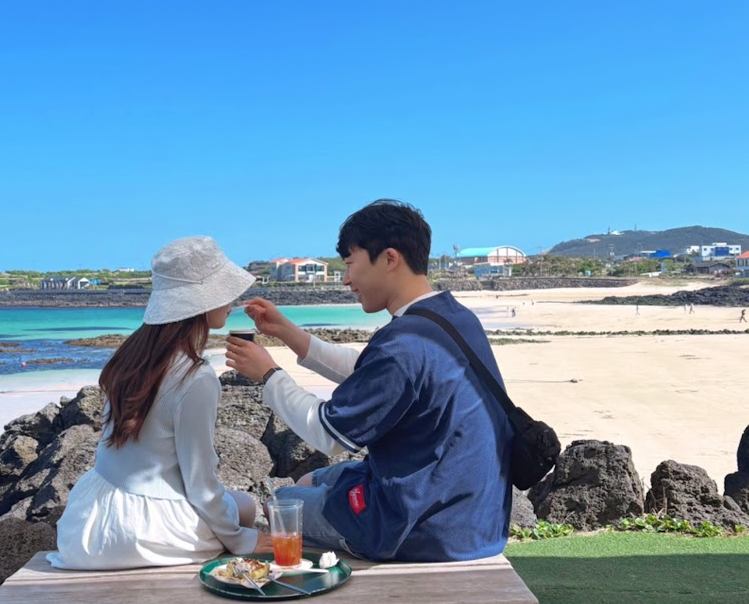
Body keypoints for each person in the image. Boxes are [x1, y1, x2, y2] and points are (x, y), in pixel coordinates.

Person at [226, 200, 514, 563]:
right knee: (309, 482)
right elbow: (373, 374)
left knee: (282, 504)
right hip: (472, 513)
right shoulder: (451, 317)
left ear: (389, 259)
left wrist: (268, 375)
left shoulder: (403, 344)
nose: (346, 279)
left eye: (350, 264)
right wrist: (289, 333)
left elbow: (327, 434)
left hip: (425, 527)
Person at [48, 236, 269, 570]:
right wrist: (240, 540)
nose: (232, 301)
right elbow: (200, 482)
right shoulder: (196, 376)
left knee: (239, 506)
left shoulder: (130, 357)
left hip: (88, 526)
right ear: (201, 303)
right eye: (224, 291)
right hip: (144, 532)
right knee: (246, 507)